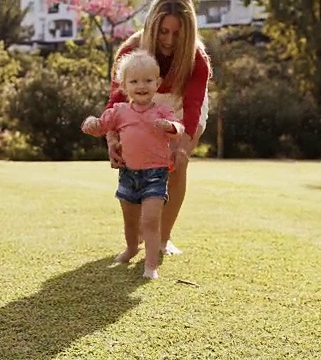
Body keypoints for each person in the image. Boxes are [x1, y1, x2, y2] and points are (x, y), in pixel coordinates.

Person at [105, 0, 212, 255]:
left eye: (178, 33)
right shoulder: (131, 50)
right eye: (163, 31)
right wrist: (112, 140)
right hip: (143, 95)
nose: (169, 40)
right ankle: (141, 230)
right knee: (137, 162)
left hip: (181, 102)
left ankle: (163, 238)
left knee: (177, 164)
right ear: (152, 26)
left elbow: (194, 105)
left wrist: (183, 146)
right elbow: (116, 100)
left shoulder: (197, 58)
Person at [81, 49, 185, 279]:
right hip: (128, 174)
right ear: (124, 85)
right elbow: (100, 125)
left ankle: (151, 265)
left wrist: (169, 126)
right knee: (130, 222)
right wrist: (90, 124)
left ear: (157, 83)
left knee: (150, 220)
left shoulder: (162, 110)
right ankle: (131, 248)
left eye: (148, 80)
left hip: (155, 175)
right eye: (135, 81)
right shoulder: (119, 112)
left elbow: (179, 128)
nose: (142, 85)